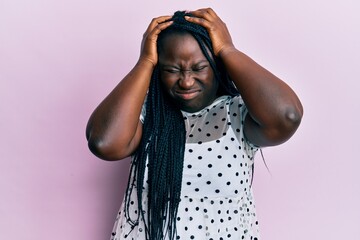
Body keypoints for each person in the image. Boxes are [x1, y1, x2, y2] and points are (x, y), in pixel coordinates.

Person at [86, 8, 303, 240]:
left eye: (199, 68)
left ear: (217, 66)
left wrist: (227, 49)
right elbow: (103, 142)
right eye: (172, 70)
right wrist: (145, 62)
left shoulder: (238, 113)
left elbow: (286, 116)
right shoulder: (145, 114)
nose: (186, 81)